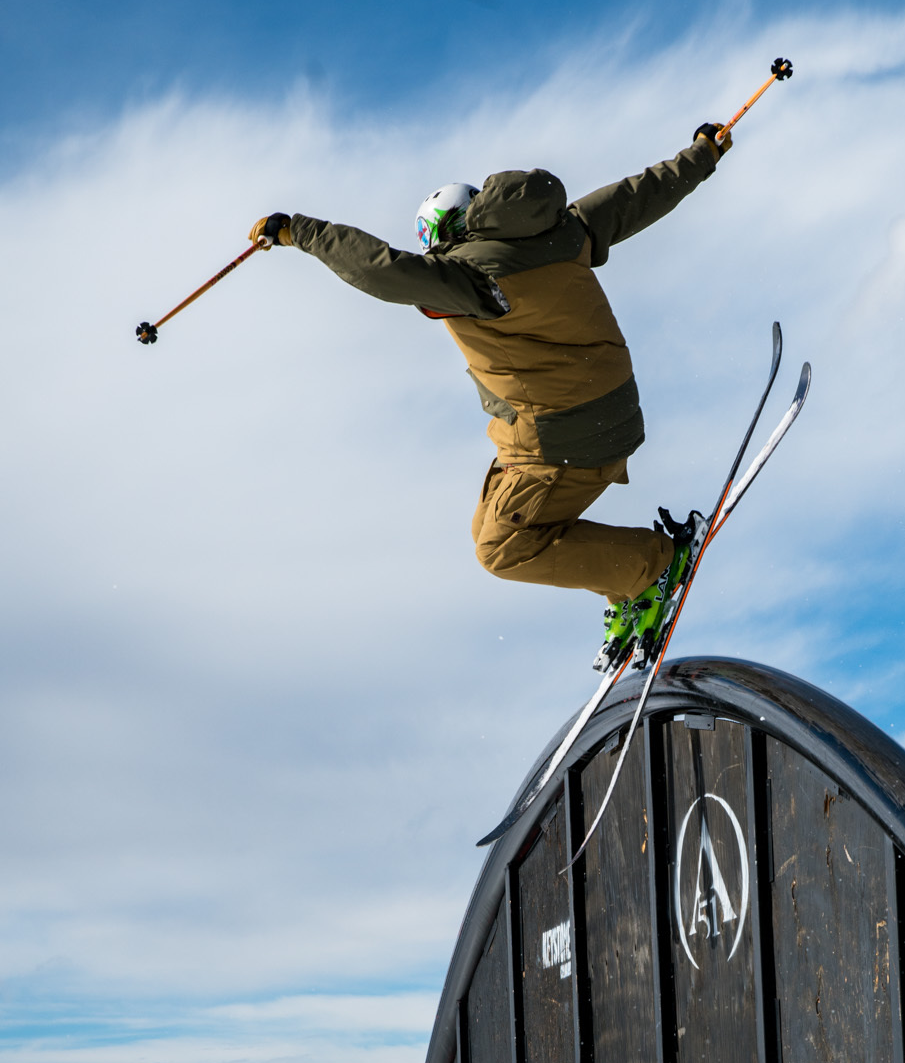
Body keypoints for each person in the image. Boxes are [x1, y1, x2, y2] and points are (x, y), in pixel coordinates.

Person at [250, 122, 732, 671]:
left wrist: (301, 232)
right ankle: (625, 579)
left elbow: (380, 269)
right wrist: (701, 154)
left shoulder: (468, 278)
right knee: (488, 524)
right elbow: (636, 197)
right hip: (606, 410)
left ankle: (653, 566)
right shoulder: (565, 229)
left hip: (564, 435)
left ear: (444, 233)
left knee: (502, 551)